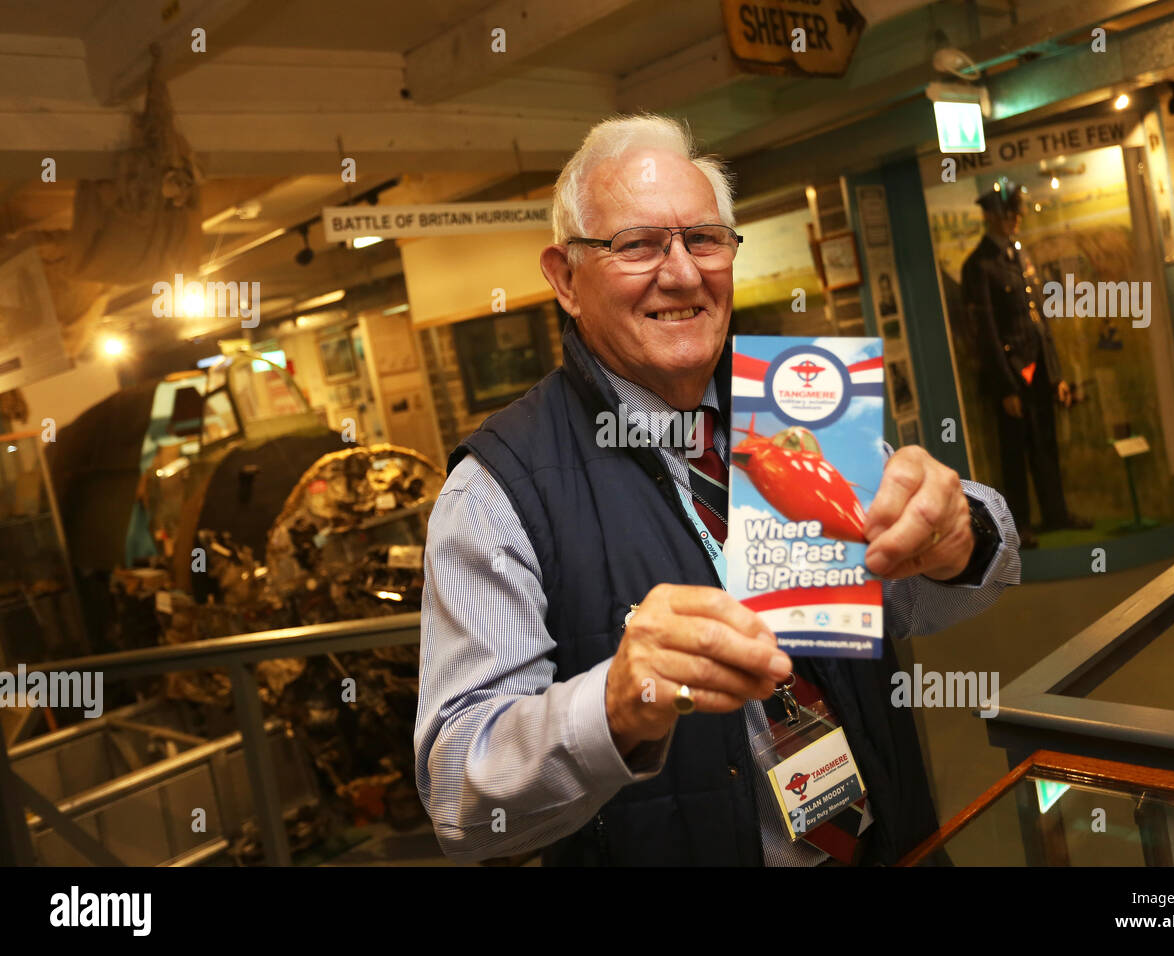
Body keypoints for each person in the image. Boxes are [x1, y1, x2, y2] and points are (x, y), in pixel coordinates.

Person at [416, 115, 1021, 866]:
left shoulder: (799, 403)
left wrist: (961, 537)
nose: (681, 274)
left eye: (703, 239)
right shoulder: (497, 491)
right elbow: (460, 801)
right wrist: (612, 706)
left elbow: (904, 603)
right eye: (637, 245)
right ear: (566, 278)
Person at [960, 176, 1087, 548]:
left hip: (1038, 369)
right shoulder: (979, 266)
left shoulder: (1019, 255)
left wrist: (1056, 374)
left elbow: (1039, 320)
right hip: (1013, 374)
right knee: (1014, 452)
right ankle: (1020, 526)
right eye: (1007, 214)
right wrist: (1006, 387)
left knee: (1046, 443)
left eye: (1016, 213)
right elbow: (985, 332)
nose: (1015, 219)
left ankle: (1055, 513)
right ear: (990, 216)